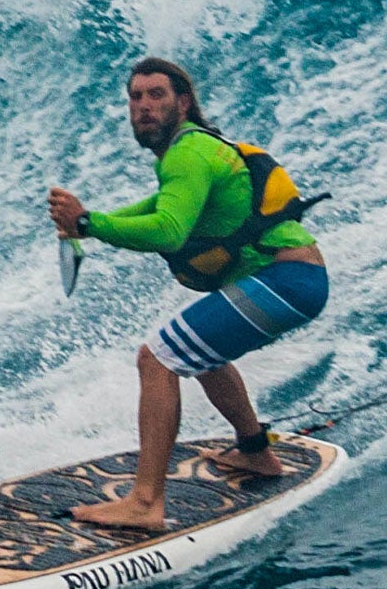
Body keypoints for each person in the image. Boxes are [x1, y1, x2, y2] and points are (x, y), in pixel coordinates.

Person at [47, 57, 328, 530]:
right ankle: (256, 452)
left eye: (156, 95)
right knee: (202, 352)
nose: (144, 107)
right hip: (292, 281)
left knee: (156, 357)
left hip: (285, 283)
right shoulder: (195, 150)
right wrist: (88, 223)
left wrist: (87, 222)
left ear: (184, 101)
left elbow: (169, 231)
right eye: (135, 97)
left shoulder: (187, 154)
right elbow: (155, 208)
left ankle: (144, 503)